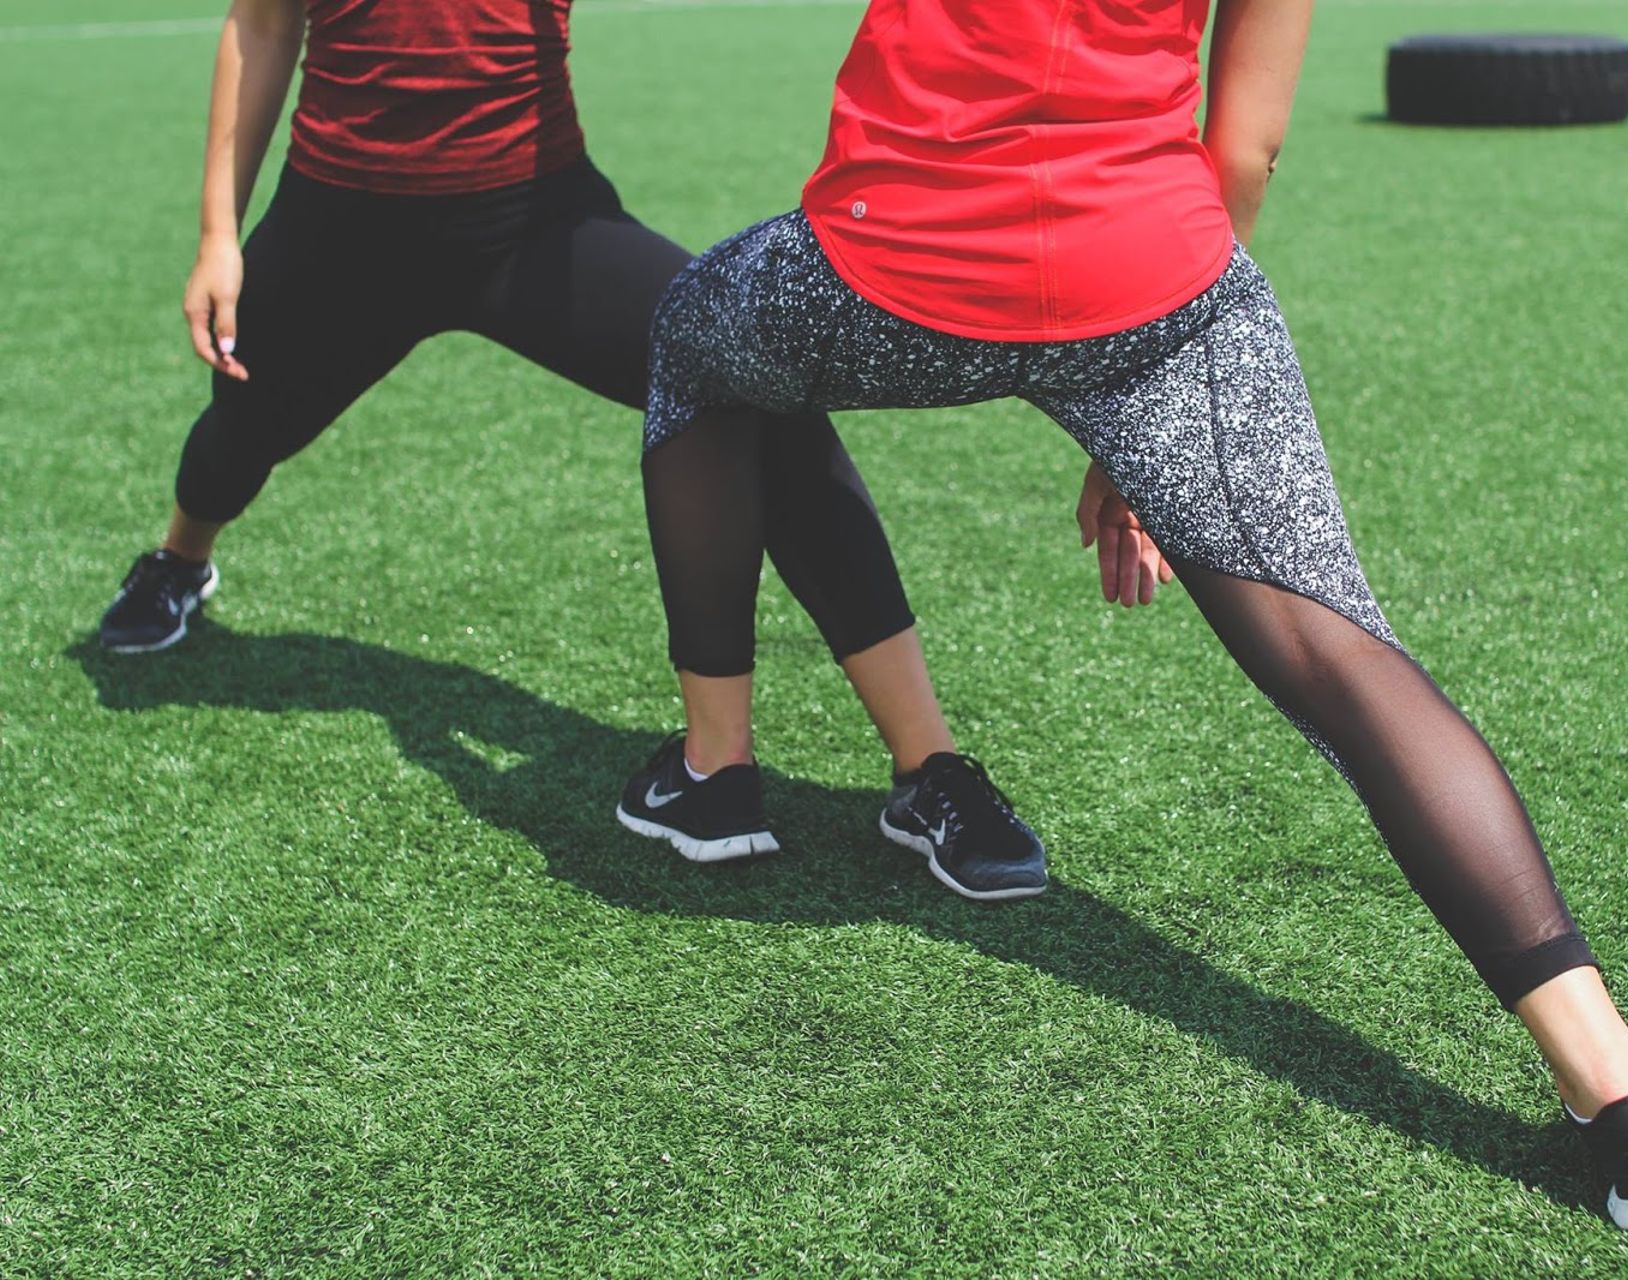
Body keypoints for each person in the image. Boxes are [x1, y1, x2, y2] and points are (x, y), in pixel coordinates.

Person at [631, 0, 1628, 1229]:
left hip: (893, 273)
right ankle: (1623, 1092)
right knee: (1337, 652)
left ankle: (715, 772)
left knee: (693, 335)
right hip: (1149, 277)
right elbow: (1246, 149)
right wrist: (1161, 347)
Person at [93, 0, 1165, 893]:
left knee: (755, 379)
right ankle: (180, 559)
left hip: (537, 226)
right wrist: (217, 235)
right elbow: (262, 22)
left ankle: (929, 766)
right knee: (244, 422)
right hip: (340, 224)